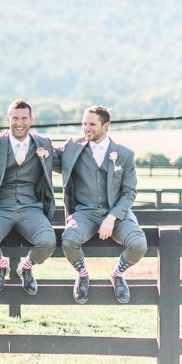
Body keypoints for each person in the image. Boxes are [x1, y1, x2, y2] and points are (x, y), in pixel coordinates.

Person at [0, 99, 57, 294]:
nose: (19, 123)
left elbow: (63, 162)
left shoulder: (43, 143)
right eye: (15, 118)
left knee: (48, 242)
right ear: (8, 119)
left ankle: (27, 267)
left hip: (30, 207)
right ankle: (1, 265)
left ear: (31, 119)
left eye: (24, 118)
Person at [56, 106, 146, 304]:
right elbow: (47, 158)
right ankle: (83, 275)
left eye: (92, 124)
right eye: (84, 123)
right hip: (84, 213)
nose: (86, 128)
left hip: (116, 213)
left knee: (138, 244)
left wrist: (112, 218)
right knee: (69, 240)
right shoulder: (72, 147)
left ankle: (117, 274)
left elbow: (129, 192)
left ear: (106, 126)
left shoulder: (124, 154)